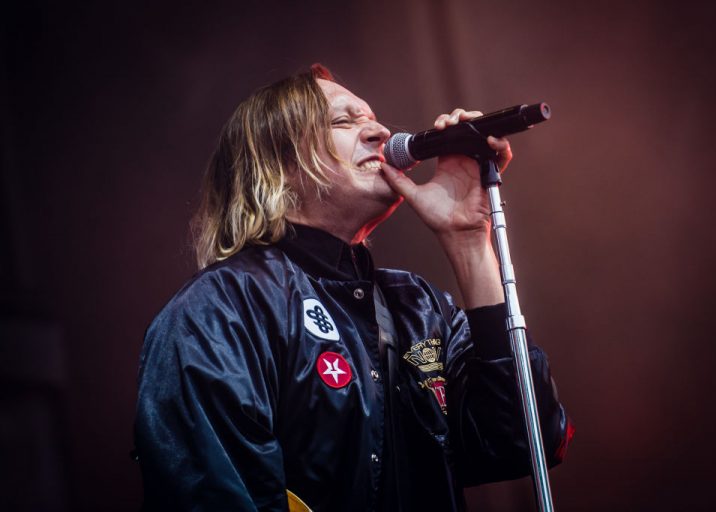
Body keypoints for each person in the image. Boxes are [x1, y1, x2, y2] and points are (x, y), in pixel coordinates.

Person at [134, 64, 573, 512]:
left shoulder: (418, 306)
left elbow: (525, 443)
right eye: (343, 121)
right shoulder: (221, 309)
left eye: (372, 119)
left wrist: (469, 244)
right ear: (277, 164)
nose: (381, 132)